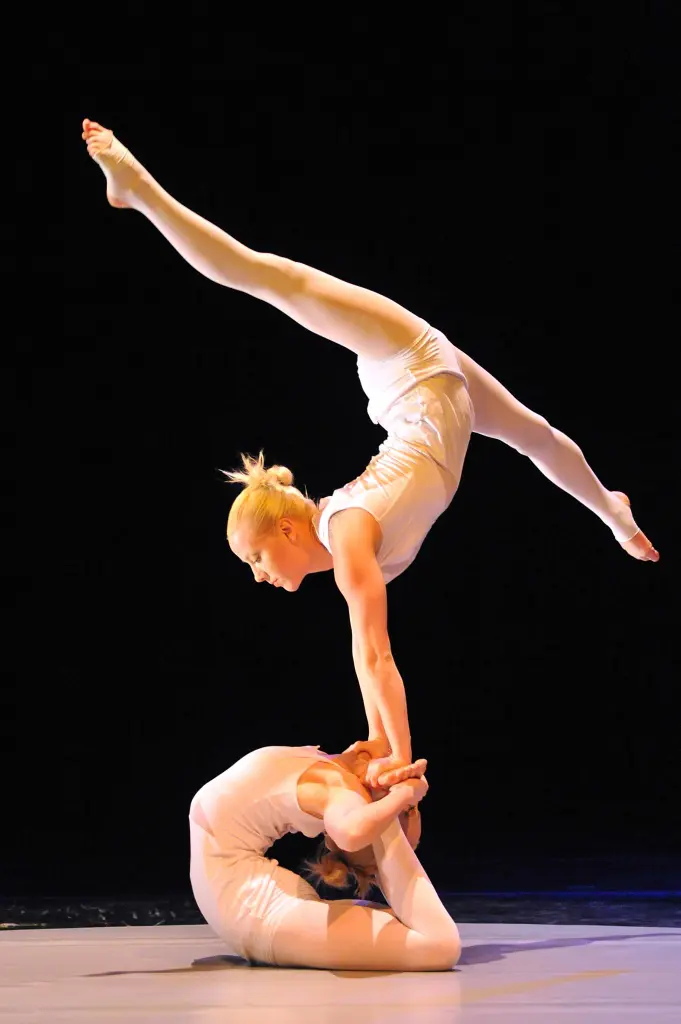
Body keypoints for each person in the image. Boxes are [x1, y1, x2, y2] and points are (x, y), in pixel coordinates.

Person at [82, 118, 659, 785]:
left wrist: (398, 760)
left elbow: (374, 653)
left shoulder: (349, 532)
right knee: (535, 435)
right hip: (437, 395)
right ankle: (613, 511)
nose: (257, 575)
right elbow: (368, 655)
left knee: (264, 276)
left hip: (405, 360)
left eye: (255, 557)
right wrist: (380, 743)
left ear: (288, 528)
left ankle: (137, 188)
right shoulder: (346, 540)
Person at [188, 742, 460, 971]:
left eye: (411, 809)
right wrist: (400, 791)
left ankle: (386, 836)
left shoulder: (340, 792)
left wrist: (400, 796)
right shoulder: (333, 776)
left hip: (245, 906)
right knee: (433, 940)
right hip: (244, 907)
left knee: (429, 940)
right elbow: (381, 701)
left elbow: (354, 832)